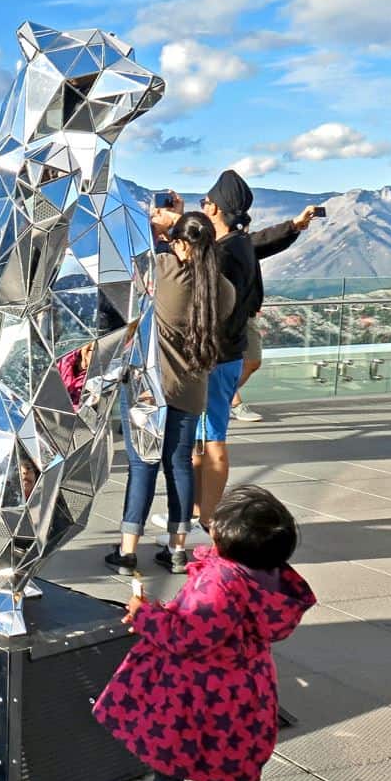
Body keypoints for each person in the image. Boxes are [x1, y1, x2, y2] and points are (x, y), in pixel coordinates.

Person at [93, 485, 316, 781]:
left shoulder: (221, 582)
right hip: (244, 694)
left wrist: (144, 614)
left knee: (168, 768)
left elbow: (187, 635)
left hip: (197, 695)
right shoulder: (269, 575)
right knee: (241, 773)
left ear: (225, 539)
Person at [152, 171, 311, 532]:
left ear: (215, 208)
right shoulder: (237, 244)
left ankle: (206, 517)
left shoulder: (223, 253)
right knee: (201, 441)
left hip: (213, 357)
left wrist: (177, 223)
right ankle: (193, 513)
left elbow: (188, 267)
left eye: (205, 204)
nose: (202, 208)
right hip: (226, 354)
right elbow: (252, 242)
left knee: (212, 441)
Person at [105, 212, 235, 576]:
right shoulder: (223, 290)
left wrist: (161, 222)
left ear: (179, 244)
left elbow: (137, 246)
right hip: (193, 389)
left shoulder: (165, 271)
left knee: (142, 465)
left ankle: (128, 550)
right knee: (178, 466)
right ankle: (178, 550)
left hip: (149, 390)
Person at [230, 199, 322, 422]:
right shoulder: (226, 245)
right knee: (226, 363)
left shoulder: (244, 247)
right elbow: (263, 240)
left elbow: (267, 243)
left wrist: (295, 227)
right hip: (228, 314)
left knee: (252, 361)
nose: (246, 231)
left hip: (246, 312)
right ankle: (231, 401)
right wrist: (293, 225)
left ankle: (220, 397)